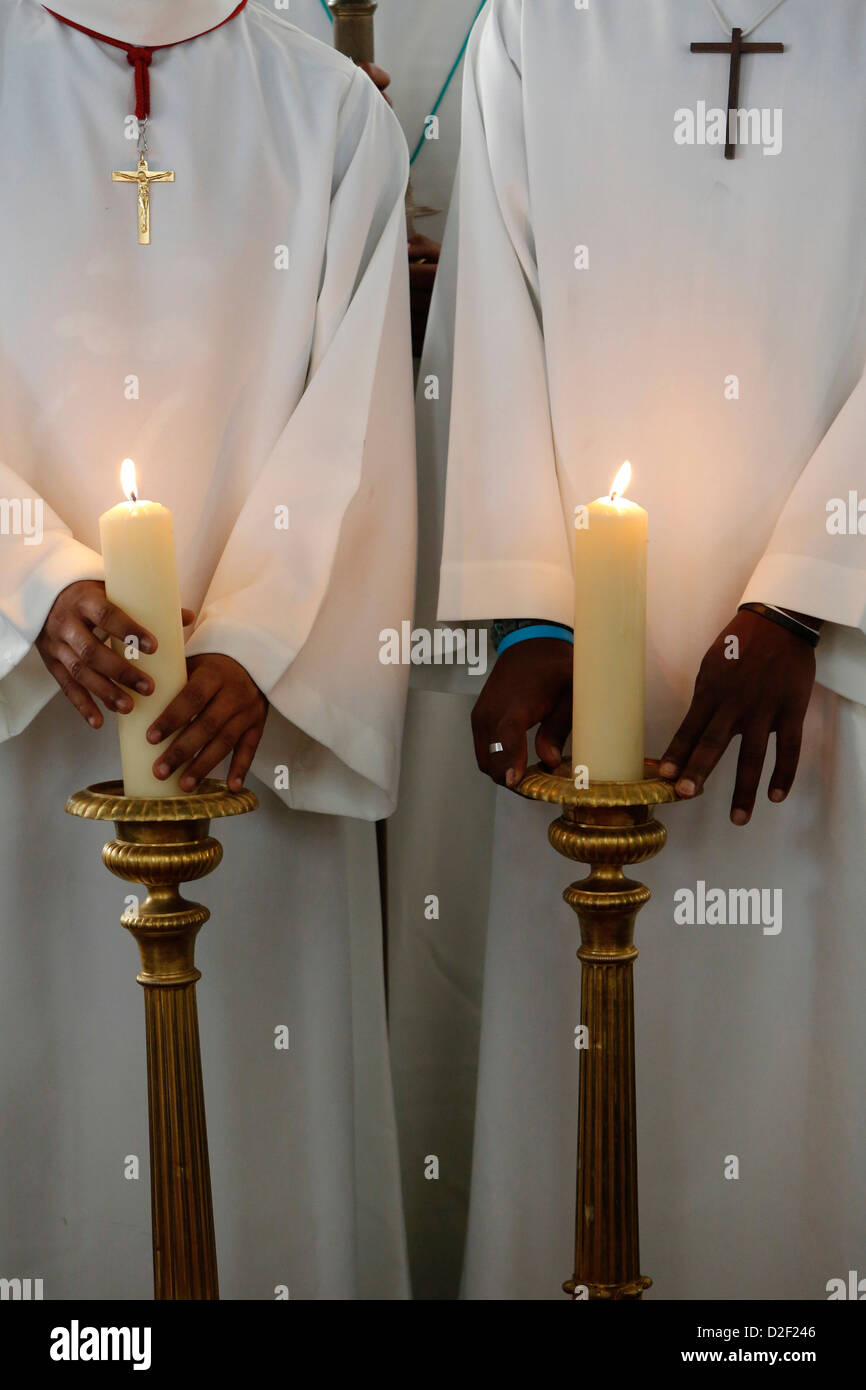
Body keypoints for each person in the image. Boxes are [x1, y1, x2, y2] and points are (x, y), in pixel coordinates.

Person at [430, 0, 866, 1298]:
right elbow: (490, 325)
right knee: (578, 1086)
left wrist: (802, 595)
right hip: (583, 716)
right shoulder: (535, 24)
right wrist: (528, 618)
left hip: (832, 674)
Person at [0, 0, 414, 1299]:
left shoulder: (331, 109)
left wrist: (249, 642)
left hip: (248, 740)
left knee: (262, 1108)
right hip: (31, 725)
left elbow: (356, 411)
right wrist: (35, 586)